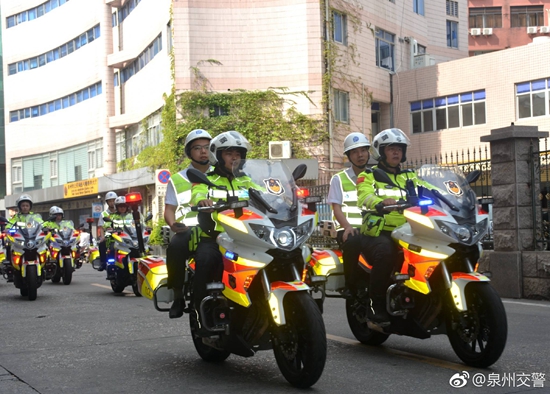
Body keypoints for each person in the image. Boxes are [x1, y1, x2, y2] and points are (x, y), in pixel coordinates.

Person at [357, 128, 432, 325]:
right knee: (386, 254)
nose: (396, 152)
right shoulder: (369, 175)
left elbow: (431, 191)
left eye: (399, 148)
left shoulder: (411, 176)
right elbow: (364, 197)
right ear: (381, 152)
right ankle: (376, 306)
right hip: (380, 232)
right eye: (391, 148)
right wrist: (380, 202)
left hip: (410, 230)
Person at [190, 131, 257, 332]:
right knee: (206, 260)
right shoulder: (205, 178)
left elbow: (265, 193)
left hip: (248, 236)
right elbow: (197, 192)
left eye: (238, 153)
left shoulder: (246, 180)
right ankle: (200, 314)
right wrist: (202, 200)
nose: (235, 157)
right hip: (216, 237)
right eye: (229, 153)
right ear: (217, 156)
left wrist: (283, 198)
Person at [164, 129, 212, 319]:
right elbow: (169, 209)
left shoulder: (222, 174)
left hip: (220, 227)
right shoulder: (177, 179)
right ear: (189, 152)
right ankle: (177, 295)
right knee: (175, 248)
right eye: (197, 148)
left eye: (207, 147)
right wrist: (173, 224)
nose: (203, 152)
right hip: (189, 229)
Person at [326, 132, 370, 296]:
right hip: (348, 229)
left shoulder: (375, 176)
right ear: (349, 156)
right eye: (355, 152)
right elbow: (336, 207)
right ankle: (350, 285)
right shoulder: (339, 179)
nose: (360, 155)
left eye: (363, 150)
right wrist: (347, 227)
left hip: (372, 228)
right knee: (352, 243)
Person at [5, 195, 43, 282]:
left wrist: (45, 227)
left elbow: (41, 223)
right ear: (19, 207)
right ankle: (9, 264)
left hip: (32, 237)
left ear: (30, 207)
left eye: (27, 205)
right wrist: (8, 229)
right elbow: (10, 224)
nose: (25, 207)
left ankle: (46, 263)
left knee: (44, 244)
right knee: (8, 244)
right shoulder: (16, 217)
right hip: (21, 237)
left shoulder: (35, 216)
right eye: (23, 206)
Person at [102, 196, 133, 279]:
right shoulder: (112, 217)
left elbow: (140, 224)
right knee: (111, 248)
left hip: (131, 239)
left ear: (127, 207)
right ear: (117, 207)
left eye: (124, 206)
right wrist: (109, 228)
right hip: (116, 240)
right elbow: (106, 225)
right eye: (120, 206)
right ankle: (111, 269)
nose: (122, 208)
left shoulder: (131, 216)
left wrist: (145, 227)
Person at [97, 191, 118, 271]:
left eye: (114, 200)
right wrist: (102, 237)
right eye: (110, 201)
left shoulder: (120, 212)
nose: (112, 202)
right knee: (102, 244)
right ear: (107, 202)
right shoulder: (104, 214)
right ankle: (103, 263)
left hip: (121, 235)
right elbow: (101, 227)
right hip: (109, 236)